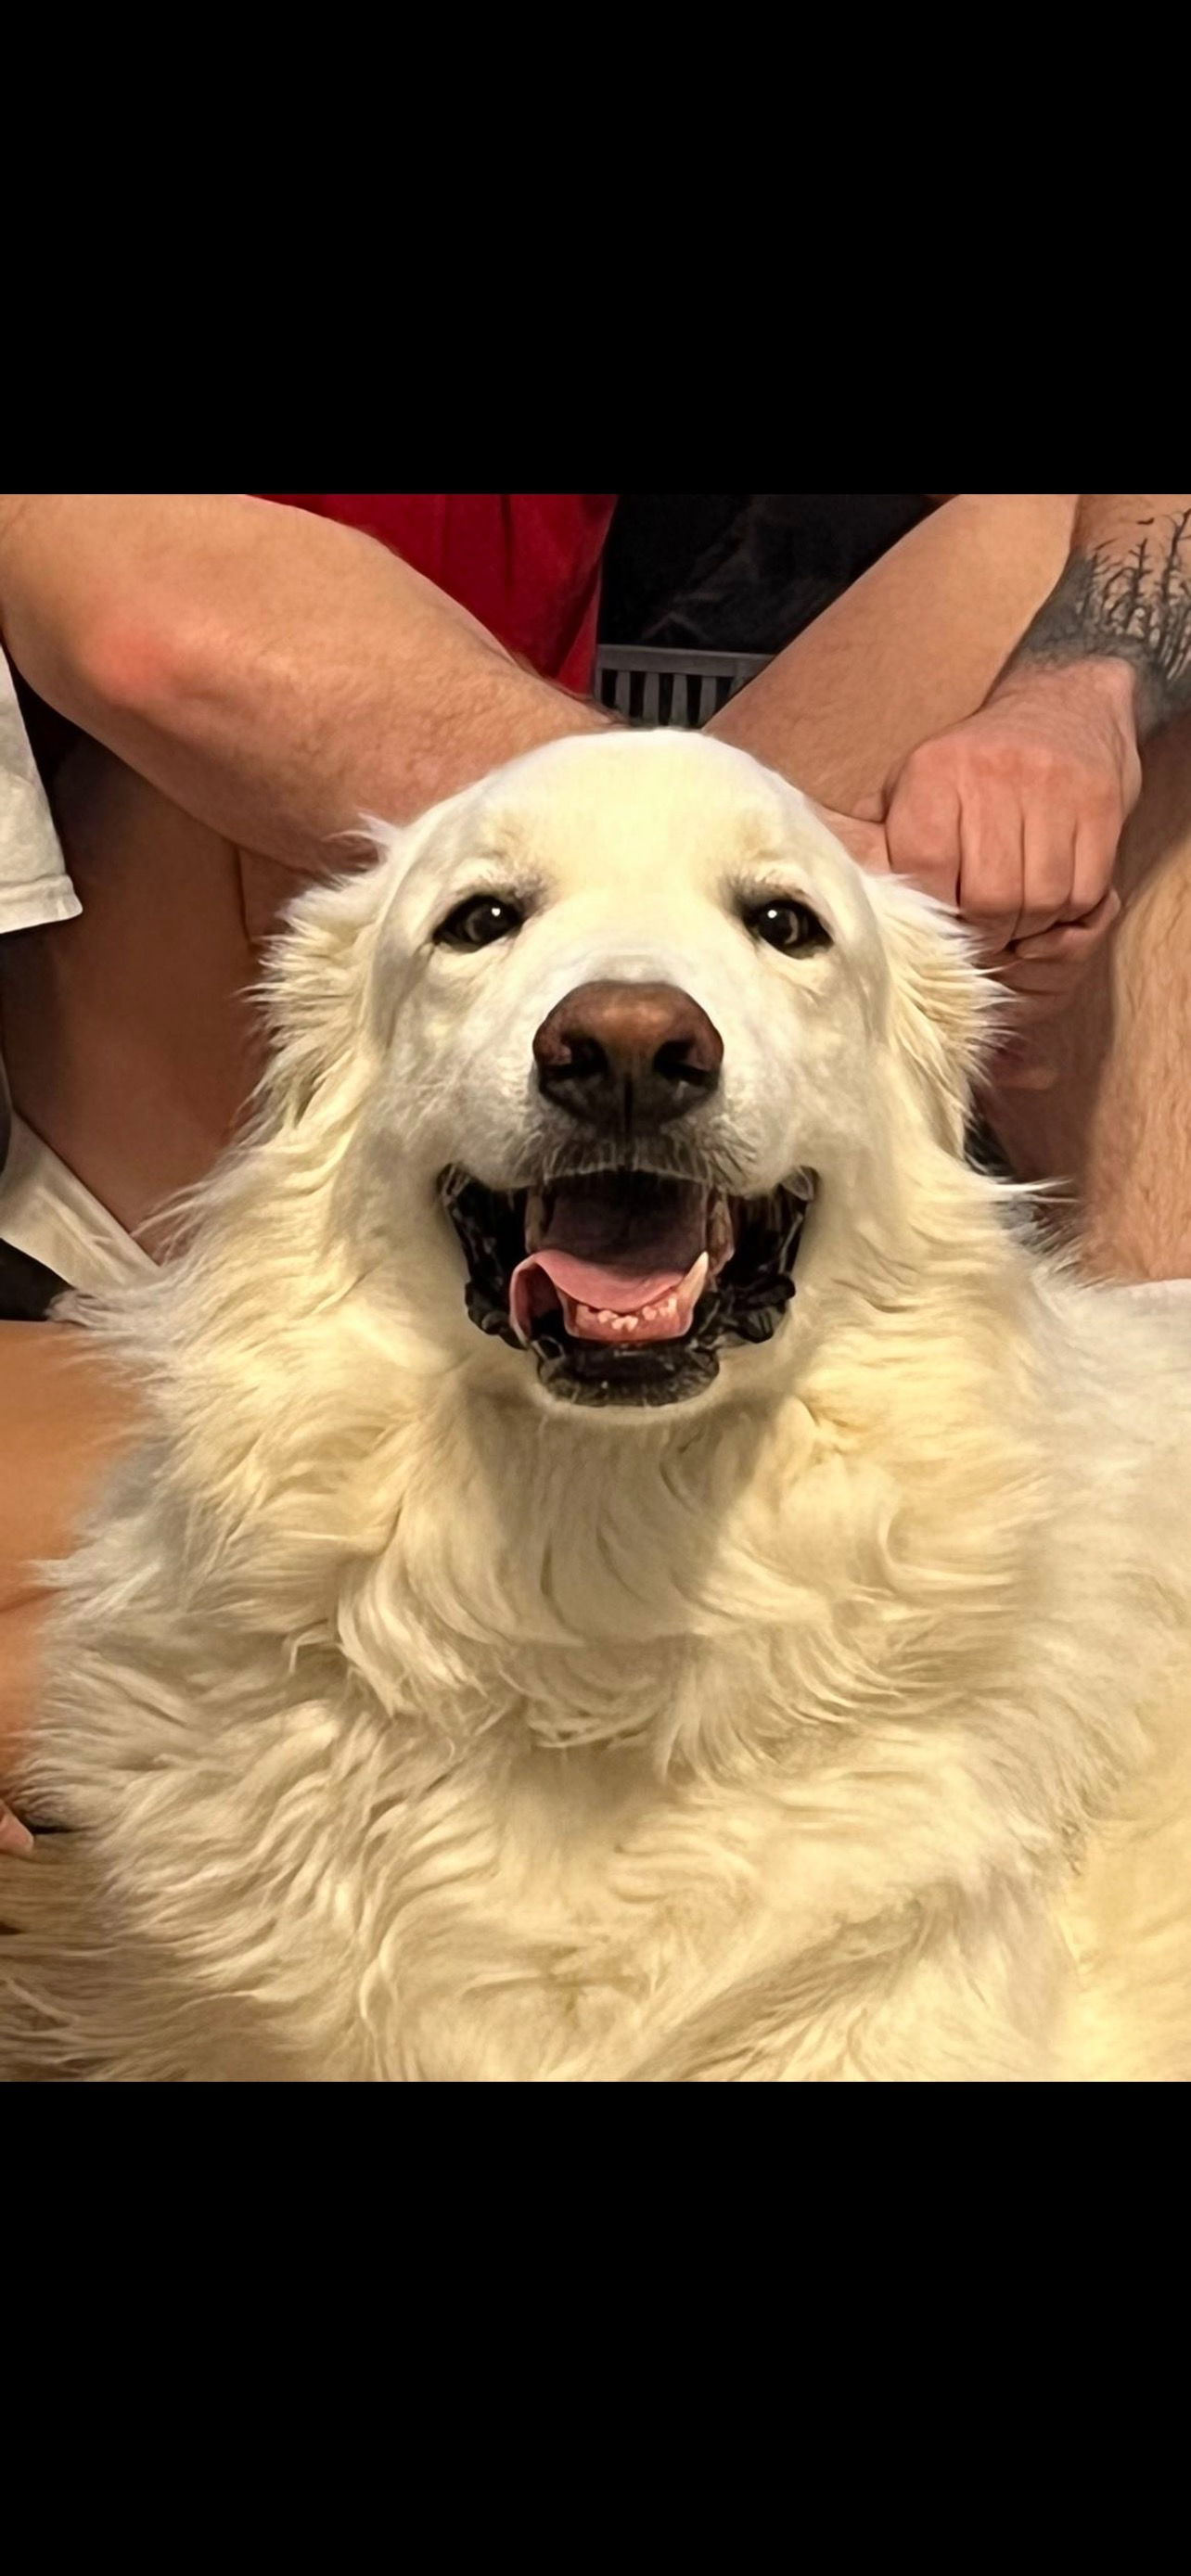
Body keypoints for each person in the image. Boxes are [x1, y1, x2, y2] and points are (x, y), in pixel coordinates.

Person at [2, 489, 1189, 1852]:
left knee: (1103, 621)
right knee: (321, 1561)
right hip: (158, 1145)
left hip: (543, 926)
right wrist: (804, 889)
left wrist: (1074, 695)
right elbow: (145, 626)